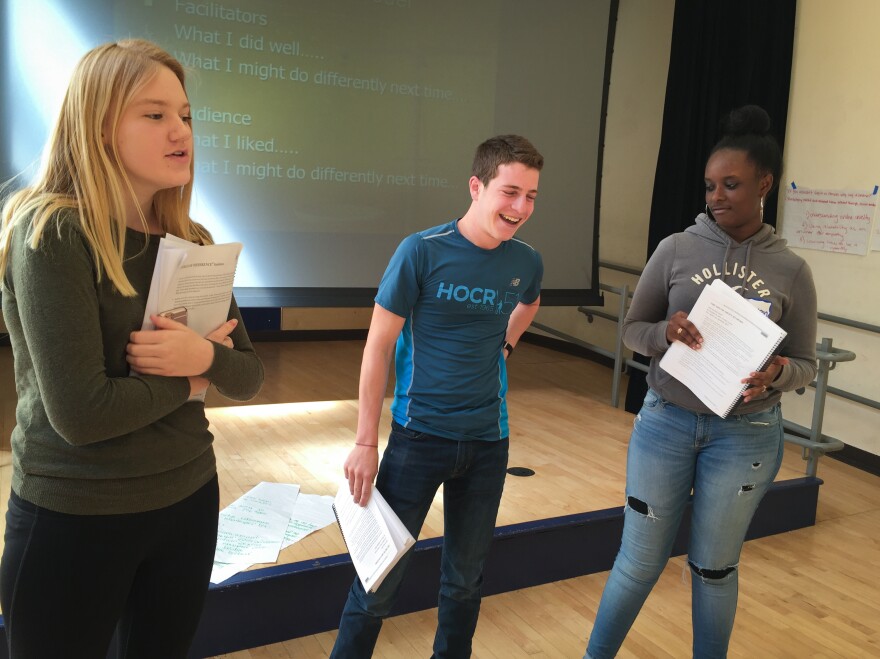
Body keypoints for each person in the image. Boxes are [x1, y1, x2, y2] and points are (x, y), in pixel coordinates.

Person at [0, 39, 264, 658]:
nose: (181, 131)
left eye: (186, 116)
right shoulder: (53, 229)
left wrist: (203, 360)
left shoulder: (189, 237)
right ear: (96, 124)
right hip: (77, 514)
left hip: (188, 500)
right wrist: (189, 382)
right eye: (155, 114)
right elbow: (82, 416)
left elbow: (247, 376)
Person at [584, 104, 817, 658]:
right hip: (665, 424)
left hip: (746, 436)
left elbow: (805, 361)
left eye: (731, 185)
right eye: (711, 185)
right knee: (638, 564)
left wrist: (779, 375)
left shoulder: (792, 271)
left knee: (714, 569)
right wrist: (666, 331)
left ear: (765, 183)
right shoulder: (676, 249)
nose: (716, 196)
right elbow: (632, 331)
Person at [331, 134, 544, 658]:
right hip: (418, 439)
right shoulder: (421, 251)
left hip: (489, 444)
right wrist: (364, 441)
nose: (520, 208)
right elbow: (377, 348)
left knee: (465, 584)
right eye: (510, 192)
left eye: (532, 197)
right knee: (378, 583)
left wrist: (507, 345)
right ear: (477, 186)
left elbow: (529, 304)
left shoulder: (526, 261)